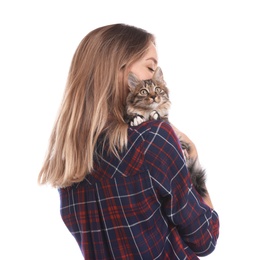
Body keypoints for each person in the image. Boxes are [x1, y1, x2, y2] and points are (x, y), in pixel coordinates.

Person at [38, 23, 219, 259]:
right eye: (151, 67)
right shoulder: (154, 137)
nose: (158, 81)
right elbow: (205, 238)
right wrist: (191, 154)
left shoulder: (70, 159)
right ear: (120, 69)